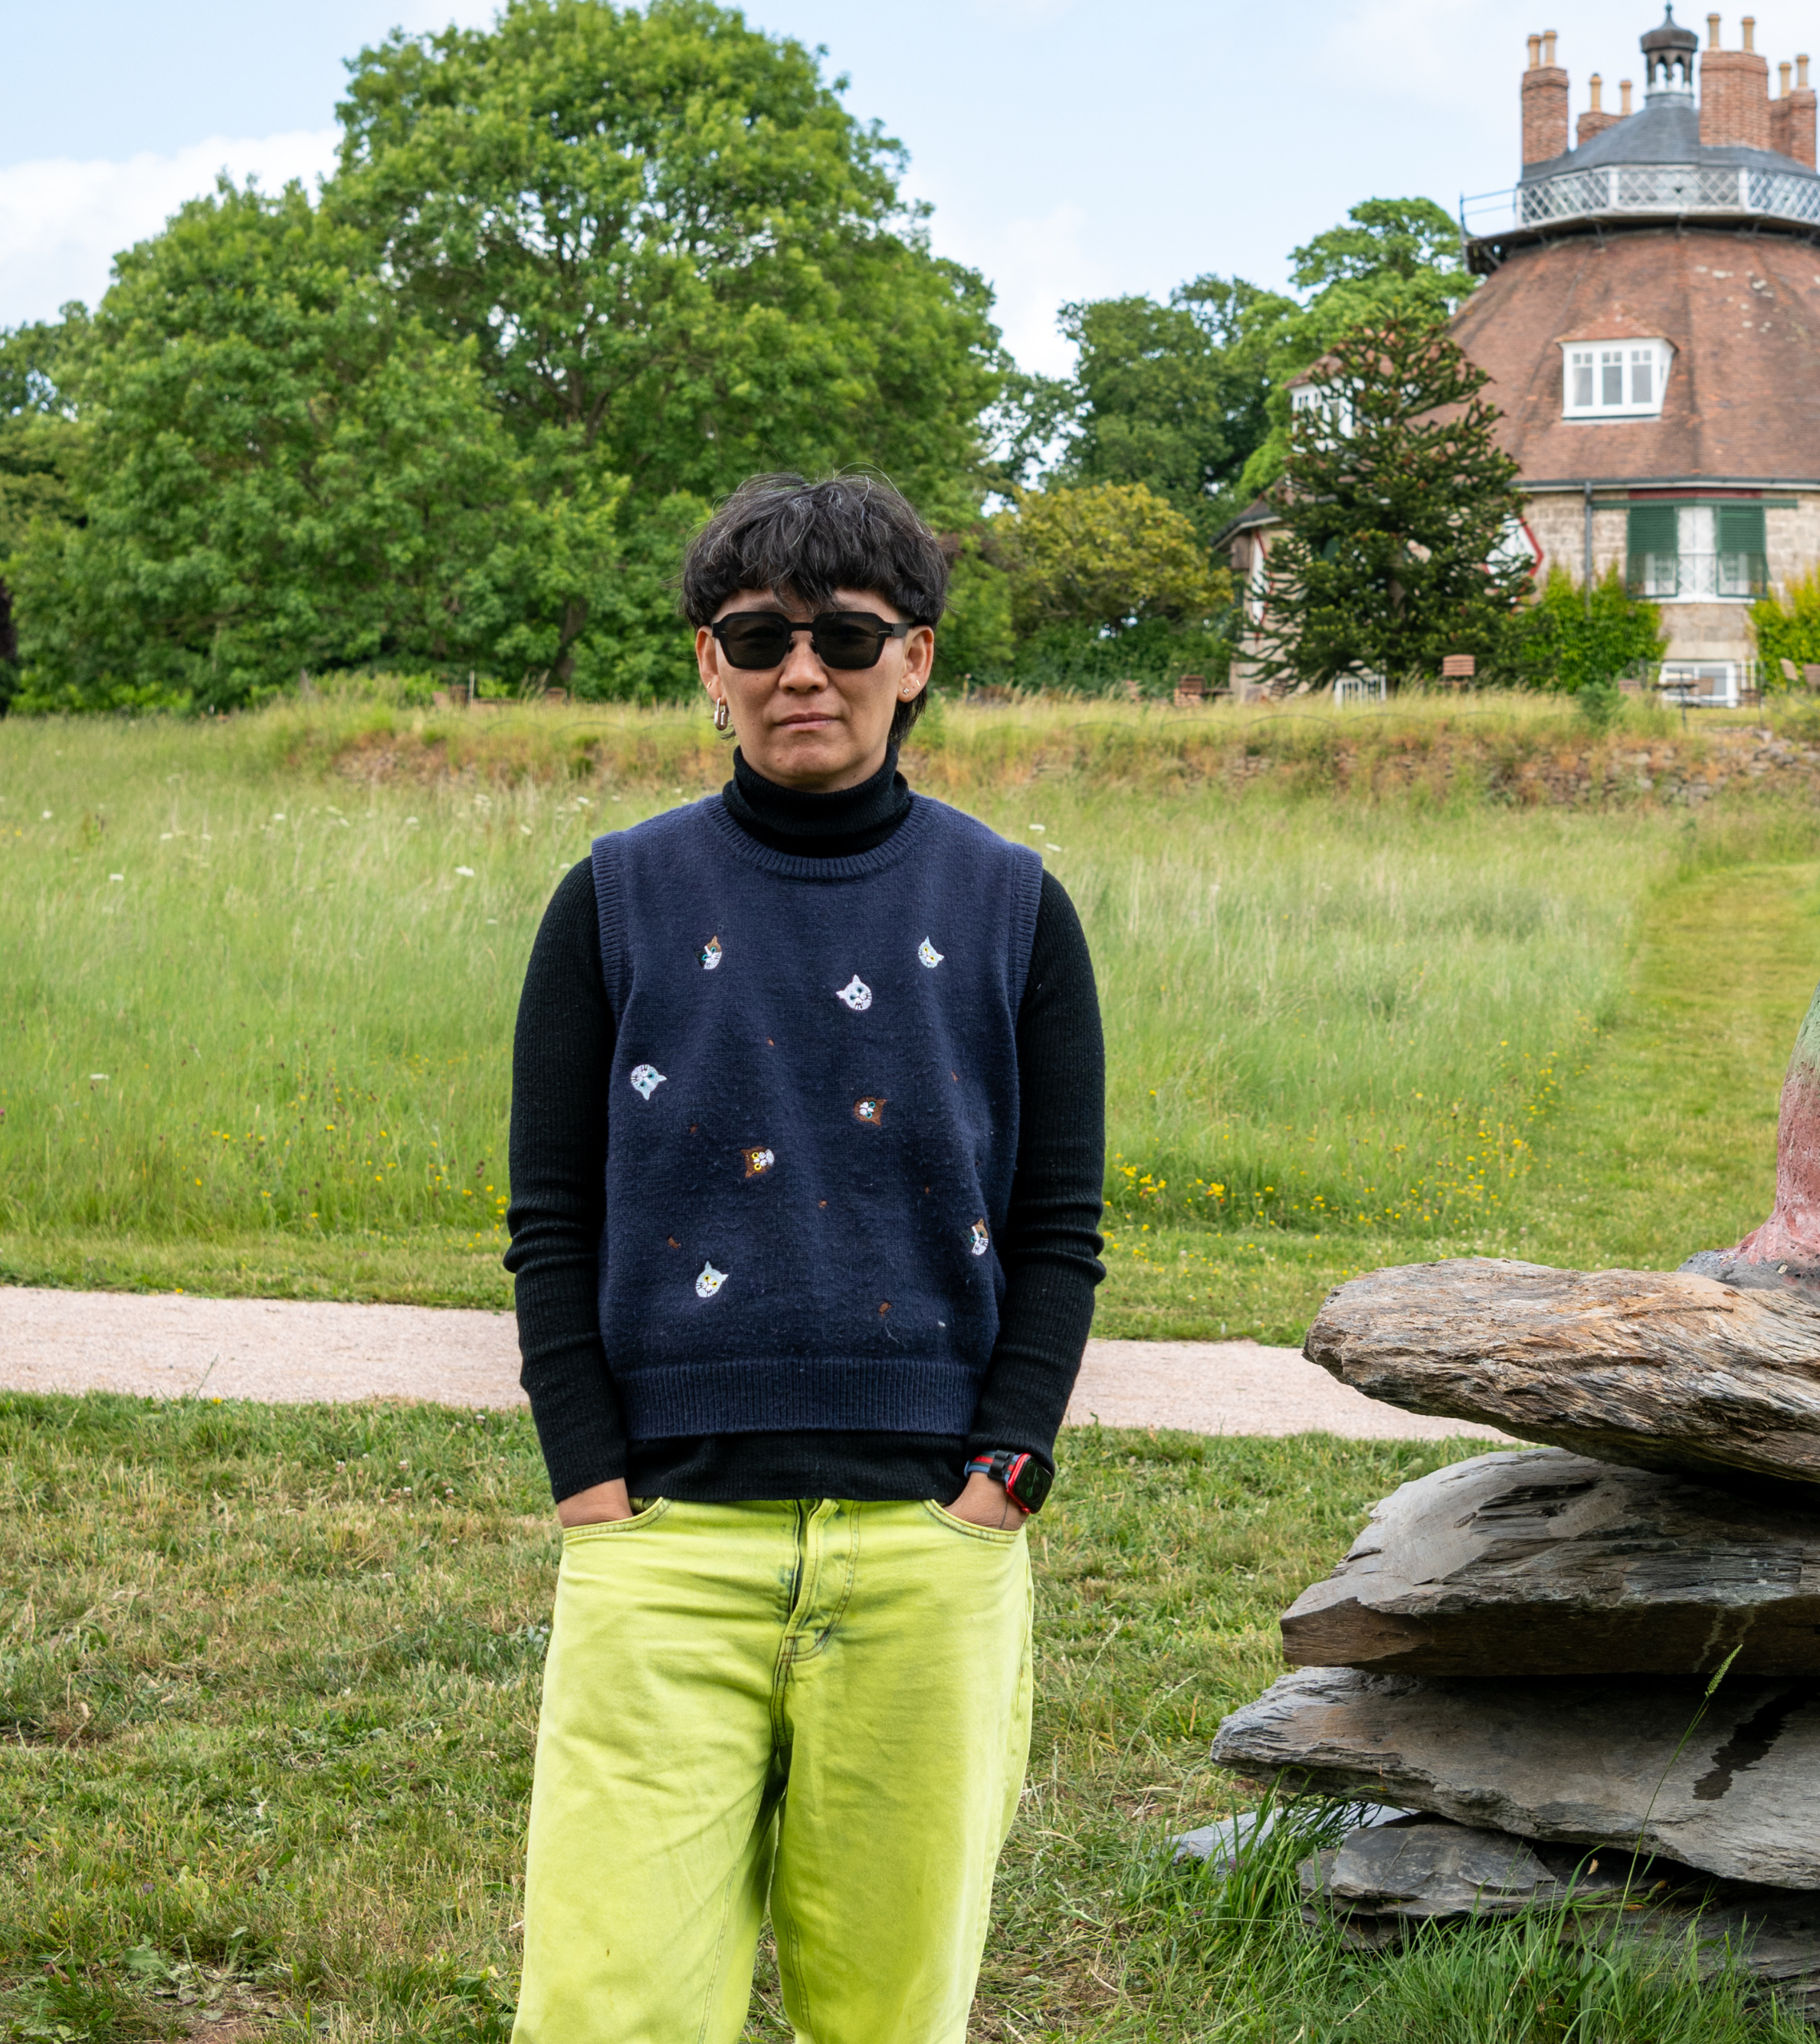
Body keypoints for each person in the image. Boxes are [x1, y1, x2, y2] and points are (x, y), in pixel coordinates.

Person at [499, 472, 1106, 2044]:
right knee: (607, 2010)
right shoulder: (611, 901)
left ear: (914, 657)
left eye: (844, 635)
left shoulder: (1013, 908)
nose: (800, 673)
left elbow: (1057, 1226)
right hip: (664, 1543)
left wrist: (1006, 1472)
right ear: (708, 661)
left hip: (926, 1549)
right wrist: (588, 1484)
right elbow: (549, 1219)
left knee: (885, 2018)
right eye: (757, 636)